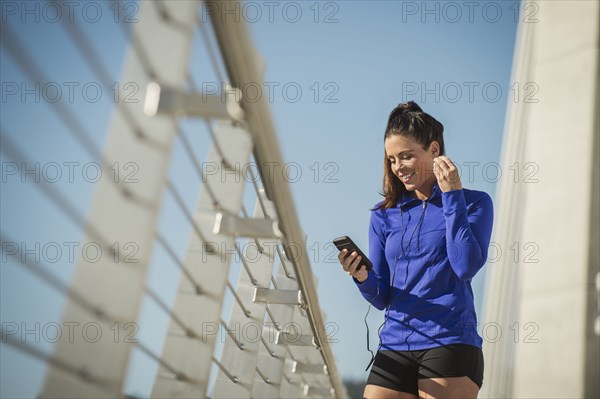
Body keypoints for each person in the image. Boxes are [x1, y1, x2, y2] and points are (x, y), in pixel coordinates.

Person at [338, 101, 494, 399]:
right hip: (395, 343)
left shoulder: (474, 202)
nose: (398, 167)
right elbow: (382, 296)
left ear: (434, 151)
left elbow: (465, 266)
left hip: (450, 341)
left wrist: (452, 197)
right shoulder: (382, 215)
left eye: (406, 156)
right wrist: (361, 277)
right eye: (392, 159)